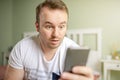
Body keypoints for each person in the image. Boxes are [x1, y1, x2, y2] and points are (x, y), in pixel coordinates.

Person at [4, 0, 94, 80]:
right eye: (49, 26)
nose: (56, 34)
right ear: (37, 26)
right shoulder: (21, 49)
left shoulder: (74, 53)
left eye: (61, 26)